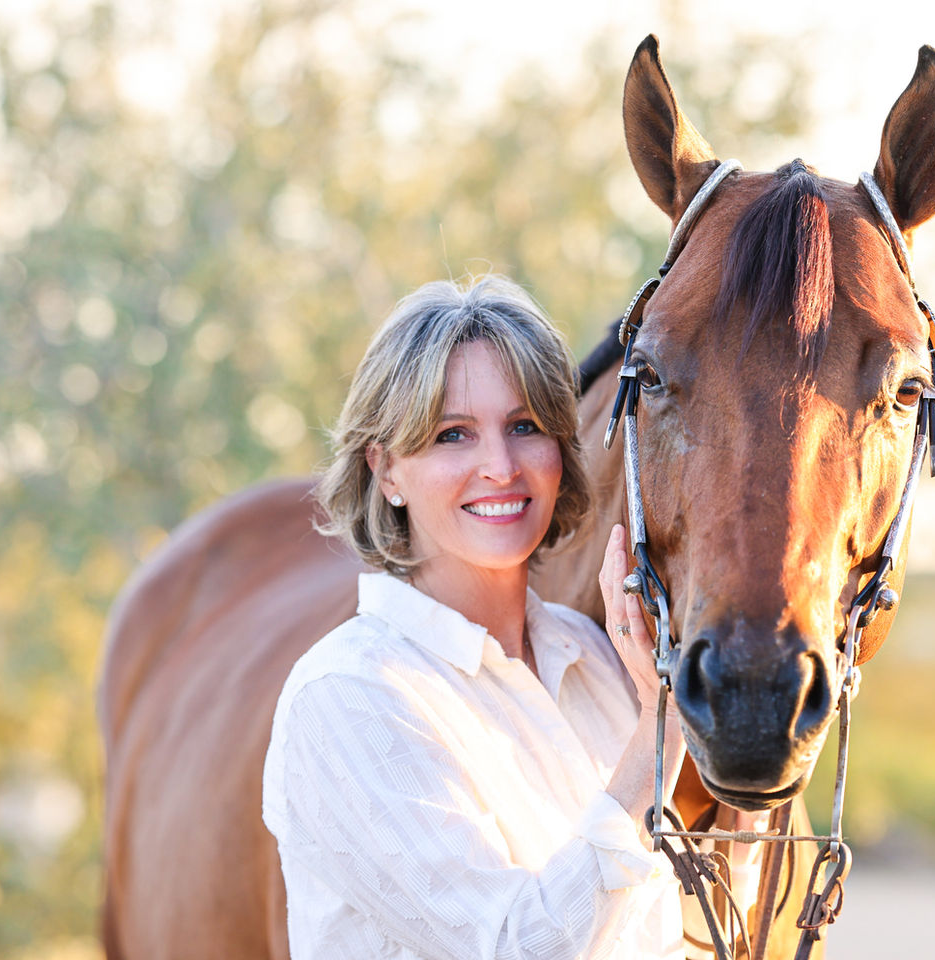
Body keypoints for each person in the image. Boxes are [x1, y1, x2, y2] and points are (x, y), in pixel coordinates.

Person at [262, 274, 709, 958]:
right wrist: (662, 734)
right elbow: (510, 947)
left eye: (525, 427)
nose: (500, 467)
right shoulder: (348, 698)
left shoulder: (596, 659)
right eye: (452, 435)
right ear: (386, 470)